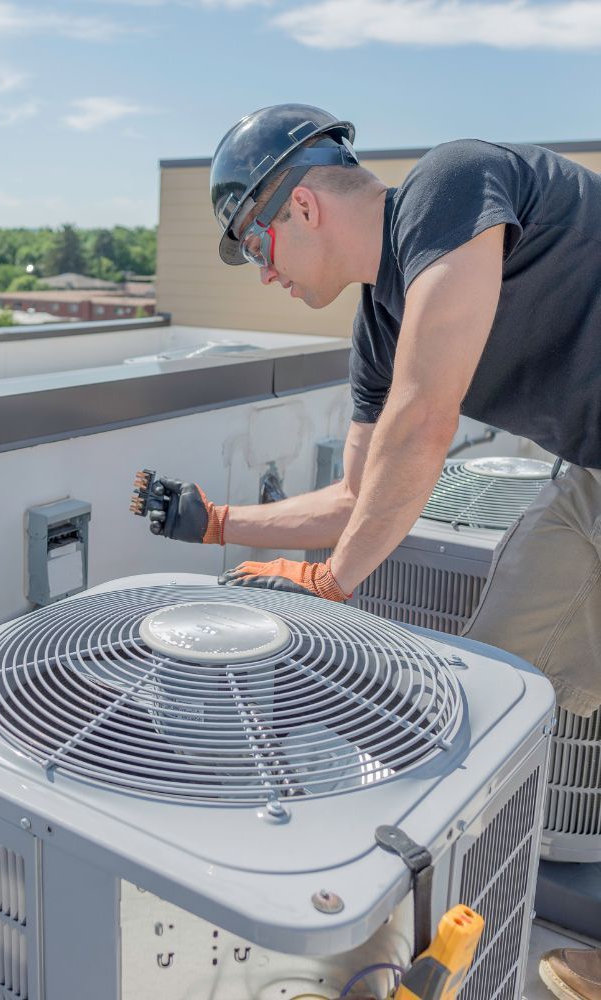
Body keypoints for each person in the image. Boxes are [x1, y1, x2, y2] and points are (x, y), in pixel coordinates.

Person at [136, 103, 601, 999]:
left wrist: (331, 579)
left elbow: (424, 423)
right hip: (591, 478)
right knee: (489, 692)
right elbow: (359, 495)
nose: (260, 273)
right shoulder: (377, 328)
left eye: (254, 244)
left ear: (303, 207)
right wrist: (216, 522)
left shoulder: (452, 182)